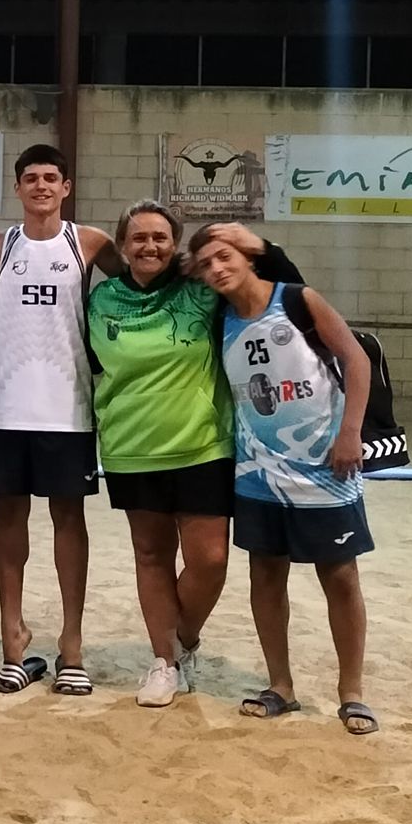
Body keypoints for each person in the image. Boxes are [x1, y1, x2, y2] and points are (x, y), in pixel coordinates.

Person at [87, 201, 299, 707]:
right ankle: (164, 662)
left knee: (210, 559)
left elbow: (283, 291)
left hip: (203, 445)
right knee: (152, 556)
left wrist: (260, 247)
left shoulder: (201, 291)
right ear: (123, 246)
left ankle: (182, 639)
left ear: (175, 244)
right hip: (131, 447)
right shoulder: (100, 300)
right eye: (138, 237)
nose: (150, 246)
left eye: (161, 237)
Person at [191, 227, 378, 736]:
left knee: (339, 577)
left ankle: (352, 692)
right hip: (258, 472)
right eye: (206, 264)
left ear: (248, 256)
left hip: (325, 466)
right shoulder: (218, 320)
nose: (216, 269)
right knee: (266, 576)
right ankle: (281, 685)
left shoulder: (297, 300)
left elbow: (356, 360)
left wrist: (350, 432)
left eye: (223, 256)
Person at [0, 146, 124, 698]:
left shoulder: (88, 242)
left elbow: (140, 285)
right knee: (8, 520)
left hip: (68, 407)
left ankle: (72, 647)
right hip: (8, 408)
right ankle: (14, 644)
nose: (41, 186)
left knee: (69, 522)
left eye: (50, 178)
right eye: (31, 178)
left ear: (66, 187)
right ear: (17, 188)